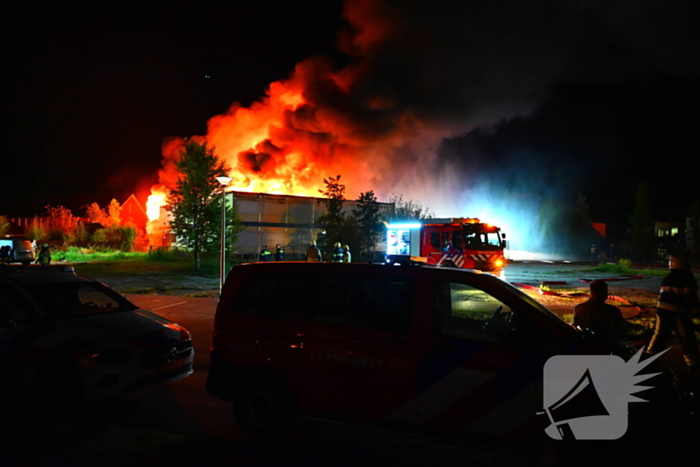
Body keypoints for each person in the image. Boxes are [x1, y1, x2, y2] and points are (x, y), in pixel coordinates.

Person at [647, 256, 700, 372]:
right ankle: (692, 363)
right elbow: (691, 297)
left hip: (662, 311)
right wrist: (696, 311)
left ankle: (648, 359)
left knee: (660, 336)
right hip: (679, 312)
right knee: (686, 337)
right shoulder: (687, 279)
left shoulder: (667, 278)